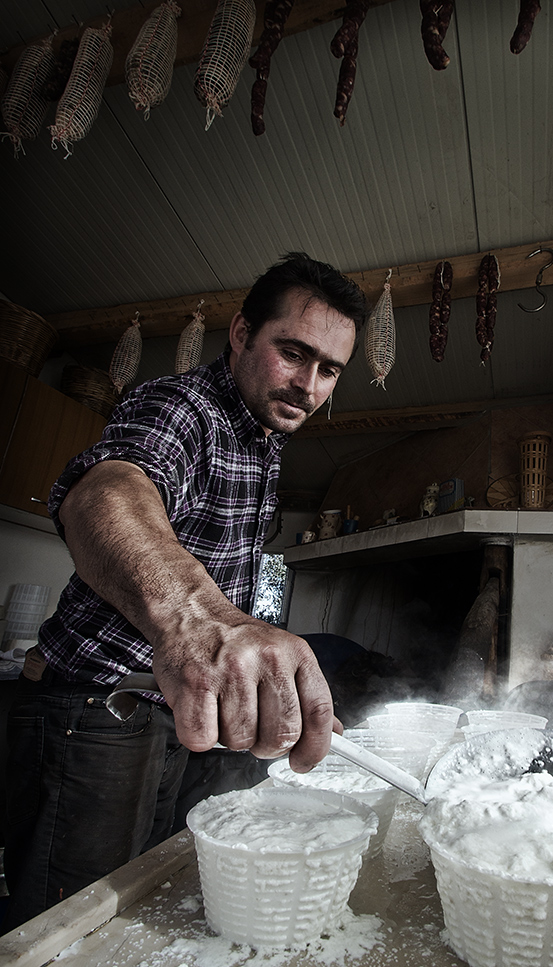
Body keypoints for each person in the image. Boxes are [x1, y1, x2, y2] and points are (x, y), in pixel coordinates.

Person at [1, 252, 368, 931]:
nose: (307, 385)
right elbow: (107, 490)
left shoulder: (264, 438)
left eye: (328, 370)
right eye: (293, 353)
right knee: (69, 921)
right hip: (96, 707)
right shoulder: (181, 406)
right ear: (239, 334)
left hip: (177, 705)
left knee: (162, 889)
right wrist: (203, 623)